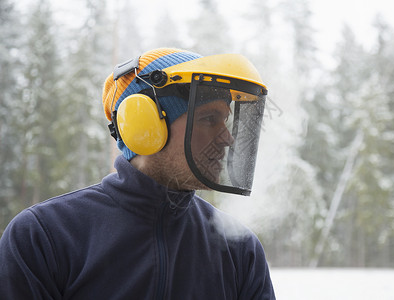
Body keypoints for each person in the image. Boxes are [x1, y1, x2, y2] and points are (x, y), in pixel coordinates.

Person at [0, 48, 275, 299]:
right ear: (146, 125)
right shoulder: (44, 236)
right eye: (208, 119)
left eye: (224, 120)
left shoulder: (240, 251)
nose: (227, 138)